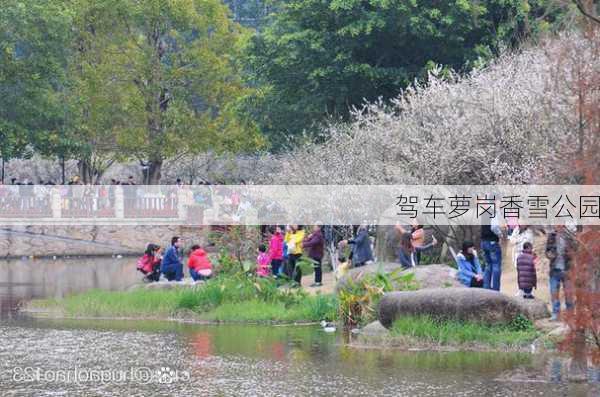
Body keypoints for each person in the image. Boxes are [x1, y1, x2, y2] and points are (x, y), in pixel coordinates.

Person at [545, 225, 576, 320]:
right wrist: (550, 255)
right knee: (554, 292)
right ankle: (555, 313)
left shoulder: (569, 236)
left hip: (567, 269)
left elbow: (575, 249)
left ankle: (570, 313)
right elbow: (547, 251)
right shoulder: (551, 236)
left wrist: (569, 254)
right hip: (554, 269)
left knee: (568, 293)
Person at [481, 212, 503, 291]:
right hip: (492, 242)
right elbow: (494, 227)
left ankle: (486, 287)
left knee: (488, 265)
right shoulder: (494, 212)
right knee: (496, 265)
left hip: (483, 242)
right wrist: (500, 235)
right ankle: (496, 289)